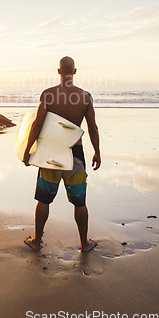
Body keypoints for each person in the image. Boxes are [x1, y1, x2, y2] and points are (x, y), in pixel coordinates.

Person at [22, 56, 101, 252]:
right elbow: (92, 127)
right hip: (76, 152)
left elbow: (37, 124)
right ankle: (84, 244)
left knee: (44, 199)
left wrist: (27, 149)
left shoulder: (48, 95)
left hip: (51, 153)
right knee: (79, 202)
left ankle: (37, 241)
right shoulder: (85, 97)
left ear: (58, 71)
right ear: (74, 71)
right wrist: (97, 152)